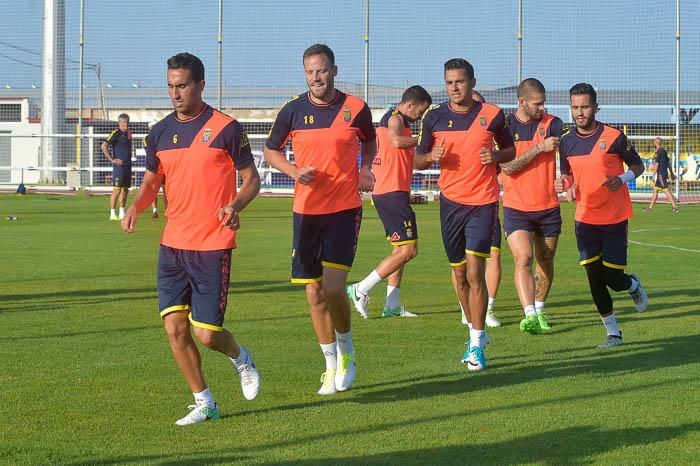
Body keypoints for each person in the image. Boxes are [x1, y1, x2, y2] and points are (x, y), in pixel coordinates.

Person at [121, 52, 261, 425]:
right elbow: (152, 181)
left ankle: (240, 357)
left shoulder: (227, 128)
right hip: (173, 245)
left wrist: (235, 205)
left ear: (200, 84)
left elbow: (252, 179)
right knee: (174, 327)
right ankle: (205, 402)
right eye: (170, 86)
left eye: (181, 85)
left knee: (207, 334)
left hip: (213, 245)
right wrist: (137, 205)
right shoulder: (160, 132)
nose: (175, 93)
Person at [264, 44, 377, 395]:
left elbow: (370, 142)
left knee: (332, 288)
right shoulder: (293, 110)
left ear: (334, 70)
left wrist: (365, 167)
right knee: (314, 294)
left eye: (322, 70)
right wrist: (294, 171)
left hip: (344, 209)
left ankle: (347, 351)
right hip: (306, 213)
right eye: (310, 71)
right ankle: (329, 366)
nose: (316, 77)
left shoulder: (355, 108)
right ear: (304, 73)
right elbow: (271, 150)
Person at [415, 58, 515, 371]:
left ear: (472, 82)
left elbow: (510, 150)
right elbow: (417, 160)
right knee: (459, 274)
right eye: (449, 82)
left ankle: (476, 342)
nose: (454, 88)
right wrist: (431, 156)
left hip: (483, 203)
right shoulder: (434, 117)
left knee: (475, 271)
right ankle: (474, 328)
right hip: (450, 204)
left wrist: (496, 155)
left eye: (460, 81)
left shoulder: (493, 115)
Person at [555, 83, 648, 349]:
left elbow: (638, 165)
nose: (579, 112)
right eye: (575, 107)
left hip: (615, 218)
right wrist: (566, 185)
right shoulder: (566, 142)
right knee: (595, 280)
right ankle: (613, 334)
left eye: (584, 106)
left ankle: (631, 285)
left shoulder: (614, 136)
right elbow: (568, 175)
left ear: (595, 107)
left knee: (612, 278)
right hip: (585, 219)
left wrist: (622, 179)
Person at [347, 85, 432, 319]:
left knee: (399, 249)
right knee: (409, 249)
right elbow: (395, 141)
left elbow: (406, 156)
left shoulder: (400, 122)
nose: (421, 116)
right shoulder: (394, 119)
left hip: (393, 191)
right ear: (410, 105)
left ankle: (392, 304)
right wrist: (424, 137)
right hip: (390, 192)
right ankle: (361, 288)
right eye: (420, 111)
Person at [500, 78, 567, 334]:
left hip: (548, 206)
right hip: (517, 206)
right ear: (522, 102)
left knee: (546, 258)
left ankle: (539, 310)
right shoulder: (504, 126)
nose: (542, 108)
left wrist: (567, 178)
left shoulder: (554, 124)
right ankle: (528, 314)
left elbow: (569, 153)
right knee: (523, 258)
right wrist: (540, 148)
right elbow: (507, 166)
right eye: (537, 104)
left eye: (543, 103)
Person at [458, 90, 502, 328]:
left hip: (487, 202)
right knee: (460, 263)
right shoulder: (453, 130)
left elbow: (508, 156)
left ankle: (489, 308)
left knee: (493, 255)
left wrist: (497, 158)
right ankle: (466, 309)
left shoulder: (493, 133)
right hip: (458, 204)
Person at [101, 113, 132, 220]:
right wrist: (112, 159)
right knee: (117, 190)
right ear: (119, 123)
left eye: (127, 122)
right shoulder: (115, 133)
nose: (125, 124)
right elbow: (104, 145)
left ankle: (122, 212)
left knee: (125, 189)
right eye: (123, 122)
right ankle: (112, 213)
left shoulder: (129, 133)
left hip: (128, 166)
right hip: (119, 167)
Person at [644, 137, 679, 212]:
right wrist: (672, 173)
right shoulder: (664, 151)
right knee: (655, 190)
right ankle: (650, 207)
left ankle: (675, 206)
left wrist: (653, 175)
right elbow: (668, 163)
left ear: (655, 143)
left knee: (666, 190)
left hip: (660, 174)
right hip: (664, 172)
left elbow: (657, 164)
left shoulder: (658, 152)